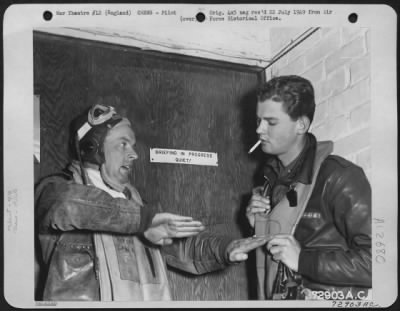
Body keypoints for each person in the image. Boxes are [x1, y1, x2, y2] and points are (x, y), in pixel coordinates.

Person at [35, 104, 267, 301]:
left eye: (132, 145)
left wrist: (225, 249)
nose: (134, 154)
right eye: (123, 144)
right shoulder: (56, 190)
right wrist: (144, 220)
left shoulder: (137, 206)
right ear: (91, 148)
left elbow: (184, 247)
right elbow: (71, 205)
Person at [246, 75, 371, 300]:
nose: (259, 130)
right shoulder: (269, 181)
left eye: (271, 122)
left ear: (301, 125)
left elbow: (381, 263)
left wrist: (304, 260)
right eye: (259, 121)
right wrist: (259, 225)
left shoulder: (338, 176)